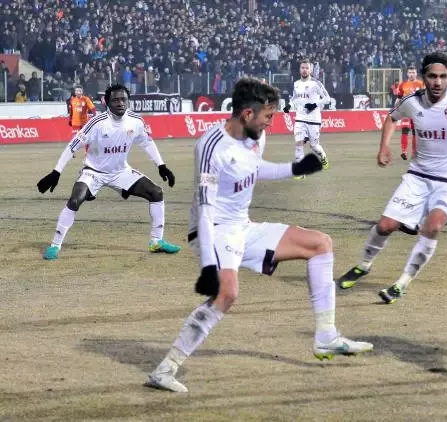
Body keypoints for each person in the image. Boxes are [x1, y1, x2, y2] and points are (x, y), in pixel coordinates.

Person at [146, 78, 373, 393]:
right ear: (246, 114)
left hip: (242, 226)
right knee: (227, 294)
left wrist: (295, 169)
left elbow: (254, 168)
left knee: (320, 244)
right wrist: (208, 267)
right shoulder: (211, 147)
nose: (271, 122)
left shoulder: (256, 136)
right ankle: (165, 370)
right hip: (213, 230)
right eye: (267, 116)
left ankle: (326, 336)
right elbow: (206, 209)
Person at [336, 52, 447, 304]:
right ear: (423, 78)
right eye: (432, 76)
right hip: (418, 176)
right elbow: (391, 118)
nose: (437, 82)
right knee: (385, 225)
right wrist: (384, 146)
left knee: (432, 226)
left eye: (443, 77)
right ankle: (363, 265)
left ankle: (402, 283)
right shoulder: (411, 101)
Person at [36, 83, 181, 260]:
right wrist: (56, 172)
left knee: (156, 192)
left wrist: (161, 165)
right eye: (115, 100)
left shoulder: (136, 121)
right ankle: (55, 245)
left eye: (123, 99)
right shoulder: (97, 123)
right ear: (107, 102)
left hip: (120, 172)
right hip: (93, 172)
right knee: (75, 200)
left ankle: (156, 241)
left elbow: (147, 143)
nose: (120, 103)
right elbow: (72, 146)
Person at [283, 58, 331, 179]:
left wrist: (314, 104)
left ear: (310, 70)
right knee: (298, 143)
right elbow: (295, 98)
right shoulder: (296, 84)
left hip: (314, 119)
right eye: (302, 68)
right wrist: (289, 105)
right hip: (300, 118)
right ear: (300, 69)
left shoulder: (316, 83)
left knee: (314, 146)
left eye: (307, 68)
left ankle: (323, 156)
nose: (304, 70)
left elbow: (327, 99)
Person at [397, 65, 425, 160]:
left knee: (415, 132)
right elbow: (399, 98)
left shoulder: (421, 84)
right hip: (406, 110)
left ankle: (414, 152)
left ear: (416, 74)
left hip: (417, 111)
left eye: (413, 72)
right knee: (405, 129)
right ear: (407, 74)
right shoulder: (403, 84)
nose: (411, 74)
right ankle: (404, 152)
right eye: (410, 72)